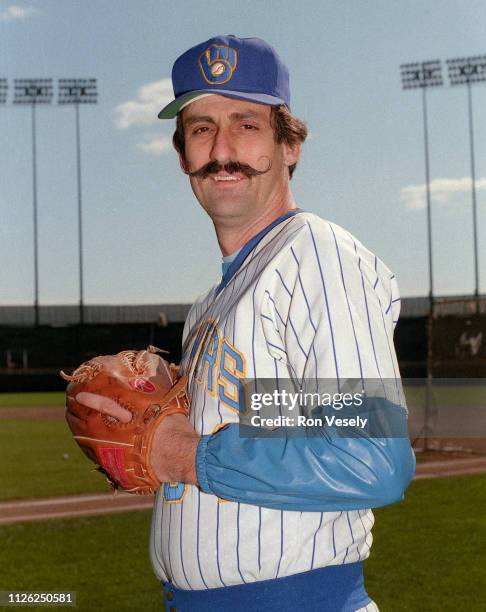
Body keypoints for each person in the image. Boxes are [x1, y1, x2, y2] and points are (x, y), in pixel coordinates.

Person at [79, 35, 415, 611]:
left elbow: (371, 455)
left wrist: (186, 455)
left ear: (290, 146)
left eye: (247, 124)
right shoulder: (209, 305)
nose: (222, 148)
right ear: (182, 153)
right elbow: (286, 414)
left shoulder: (317, 254)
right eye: (201, 128)